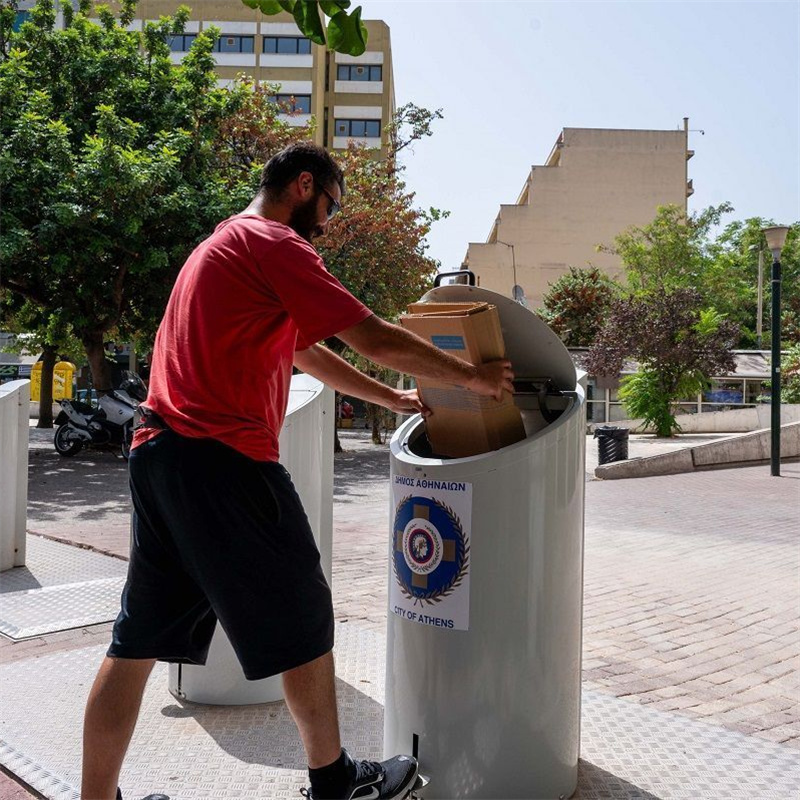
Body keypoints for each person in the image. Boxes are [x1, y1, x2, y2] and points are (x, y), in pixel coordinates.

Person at [81, 142, 514, 800]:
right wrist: (473, 378)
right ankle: (335, 784)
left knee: (136, 639)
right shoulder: (275, 243)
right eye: (330, 206)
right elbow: (371, 334)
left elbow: (305, 351)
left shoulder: (221, 244)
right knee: (305, 617)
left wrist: (389, 397)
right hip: (222, 459)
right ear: (304, 185)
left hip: (160, 453)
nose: (328, 224)